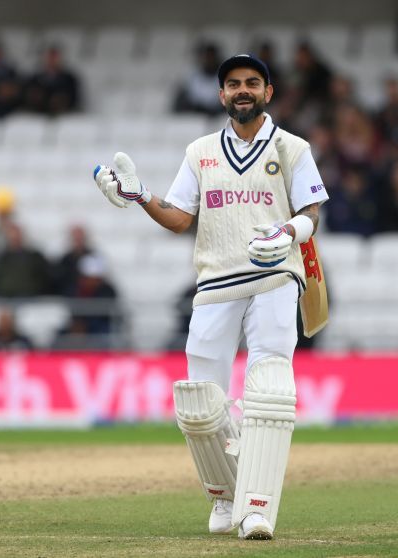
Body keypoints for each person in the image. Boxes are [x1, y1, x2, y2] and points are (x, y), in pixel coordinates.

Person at [93, 54, 328, 540]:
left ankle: (257, 508)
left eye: (252, 83)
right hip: (215, 283)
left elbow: (312, 212)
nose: (243, 90)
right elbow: (180, 218)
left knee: (267, 387)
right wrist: (140, 196)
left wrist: (289, 231)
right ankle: (224, 497)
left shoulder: (291, 148)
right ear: (221, 95)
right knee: (202, 402)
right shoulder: (200, 150)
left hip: (274, 275)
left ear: (268, 91)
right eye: (234, 84)